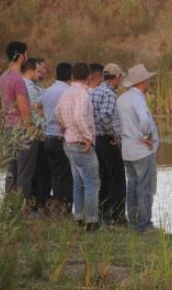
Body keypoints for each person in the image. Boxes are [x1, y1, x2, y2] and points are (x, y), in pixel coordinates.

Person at [55, 63, 100, 231]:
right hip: (81, 143)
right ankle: (92, 222)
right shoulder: (83, 93)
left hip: (69, 142)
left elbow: (57, 112)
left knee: (78, 182)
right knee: (92, 183)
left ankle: (79, 217)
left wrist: (63, 127)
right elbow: (79, 116)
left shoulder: (66, 92)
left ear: (73, 76)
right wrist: (88, 137)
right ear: (88, 77)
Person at [115, 64, 159, 232]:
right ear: (142, 81)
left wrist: (120, 137)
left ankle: (133, 221)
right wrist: (147, 135)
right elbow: (144, 120)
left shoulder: (122, 99)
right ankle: (144, 224)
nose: (149, 82)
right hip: (141, 150)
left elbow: (116, 123)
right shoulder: (138, 98)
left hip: (127, 150)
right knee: (144, 187)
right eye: (148, 79)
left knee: (132, 185)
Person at [0, 41, 38, 208]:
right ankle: (23, 208)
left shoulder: (3, 76)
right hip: (21, 130)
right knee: (24, 172)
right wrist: (31, 130)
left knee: (11, 172)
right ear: (21, 56)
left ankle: (9, 206)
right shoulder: (18, 79)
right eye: (26, 54)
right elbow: (23, 106)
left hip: (9, 128)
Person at [91, 63, 127, 225]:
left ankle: (104, 213)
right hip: (107, 139)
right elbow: (105, 116)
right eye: (121, 77)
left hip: (97, 140)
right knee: (117, 178)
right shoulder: (110, 93)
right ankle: (118, 216)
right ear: (117, 77)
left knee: (104, 179)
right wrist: (115, 137)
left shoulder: (96, 91)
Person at [39, 62, 73, 214]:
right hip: (61, 138)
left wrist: (46, 117)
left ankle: (55, 209)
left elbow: (36, 105)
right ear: (71, 75)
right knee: (65, 175)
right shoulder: (68, 91)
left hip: (48, 137)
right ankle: (63, 209)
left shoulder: (49, 90)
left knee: (55, 174)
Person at [22, 57, 51, 210]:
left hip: (42, 134)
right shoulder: (27, 85)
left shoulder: (38, 85)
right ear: (31, 70)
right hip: (35, 134)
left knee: (42, 171)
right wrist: (40, 131)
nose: (43, 73)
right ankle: (32, 206)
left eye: (44, 70)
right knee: (34, 172)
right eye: (39, 70)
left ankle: (40, 204)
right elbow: (34, 111)